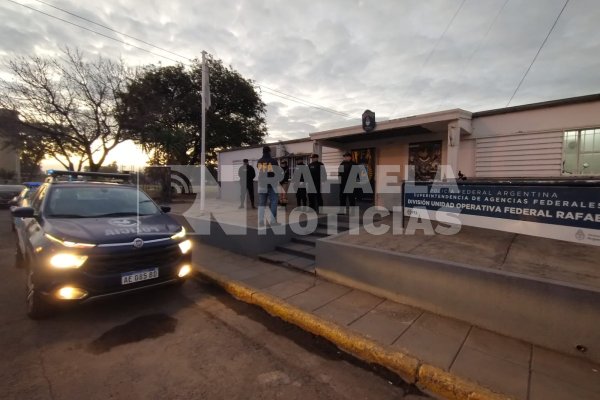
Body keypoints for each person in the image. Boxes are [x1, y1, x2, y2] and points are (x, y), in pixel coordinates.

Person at [256, 146, 279, 227]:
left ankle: (261, 222)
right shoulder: (273, 161)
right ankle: (272, 221)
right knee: (273, 202)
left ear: (263, 152)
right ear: (269, 151)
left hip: (262, 184)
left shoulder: (259, 161)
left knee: (262, 203)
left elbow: (260, 169)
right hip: (272, 184)